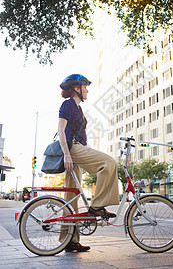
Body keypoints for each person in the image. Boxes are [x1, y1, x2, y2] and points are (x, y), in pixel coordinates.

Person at [58, 74, 119, 252]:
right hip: (72, 150)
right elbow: (60, 130)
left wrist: (81, 161)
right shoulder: (68, 104)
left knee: (71, 198)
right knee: (109, 163)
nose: (87, 90)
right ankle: (97, 206)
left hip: (76, 152)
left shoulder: (78, 109)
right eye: (85, 86)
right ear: (77, 88)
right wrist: (67, 155)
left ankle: (68, 241)